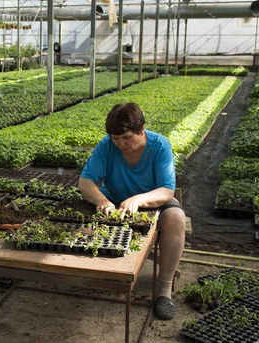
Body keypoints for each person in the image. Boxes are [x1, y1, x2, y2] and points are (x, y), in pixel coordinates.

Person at [78, 102, 185, 320]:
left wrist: (139, 199)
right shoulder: (107, 146)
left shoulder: (159, 146)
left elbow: (166, 190)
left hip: (152, 201)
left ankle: (164, 290)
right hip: (115, 201)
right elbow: (85, 181)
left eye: (126, 137)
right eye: (115, 138)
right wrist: (102, 201)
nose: (120, 144)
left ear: (141, 130)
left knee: (176, 217)